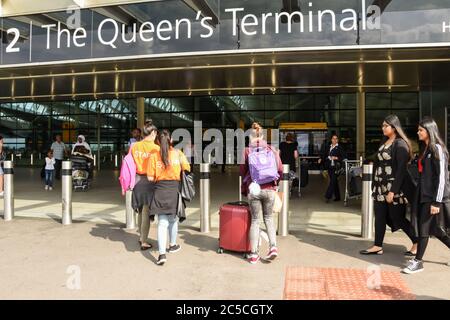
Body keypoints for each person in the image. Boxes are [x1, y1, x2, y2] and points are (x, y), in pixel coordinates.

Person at [360, 115, 418, 256]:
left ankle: (417, 241)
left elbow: (401, 170)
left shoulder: (400, 144)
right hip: (380, 186)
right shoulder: (385, 141)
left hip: (394, 188)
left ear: (394, 127)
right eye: (382, 125)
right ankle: (377, 245)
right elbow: (378, 159)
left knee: (398, 218)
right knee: (379, 215)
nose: (383, 128)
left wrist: (393, 191)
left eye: (386, 125)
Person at [402, 118, 450, 274]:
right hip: (423, 195)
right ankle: (417, 261)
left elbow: (442, 177)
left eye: (420, 130)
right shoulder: (426, 149)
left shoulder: (437, 149)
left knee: (423, 228)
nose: (418, 132)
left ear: (429, 131)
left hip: (432, 199)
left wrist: (436, 202)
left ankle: (418, 261)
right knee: (436, 231)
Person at [240, 122, 282, 264]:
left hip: (254, 189)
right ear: (263, 135)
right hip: (269, 189)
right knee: (269, 218)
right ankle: (273, 247)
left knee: (256, 221)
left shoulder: (246, 151)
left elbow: (242, 171)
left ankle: (253, 254)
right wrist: (275, 184)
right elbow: (280, 169)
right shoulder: (272, 149)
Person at [147, 129, 191, 265]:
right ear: (171, 140)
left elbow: (149, 177)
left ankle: (161, 255)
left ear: (158, 142)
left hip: (159, 190)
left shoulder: (154, 156)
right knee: (173, 220)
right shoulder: (178, 154)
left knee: (162, 223)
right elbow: (187, 169)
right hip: (174, 190)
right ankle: (172, 245)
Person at [130, 120, 159, 250]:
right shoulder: (156, 148)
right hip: (149, 181)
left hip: (137, 180)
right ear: (152, 132)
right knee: (146, 211)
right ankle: (144, 241)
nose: (156, 135)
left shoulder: (135, 146)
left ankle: (141, 236)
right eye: (155, 132)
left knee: (140, 210)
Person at [318, 134, 346, 202]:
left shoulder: (339, 147)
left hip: (336, 167)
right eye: (333, 138)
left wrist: (336, 158)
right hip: (329, 166)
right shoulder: (328, 147)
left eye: (336, 139)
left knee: (332, 181)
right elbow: (324, 154)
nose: (334, 140)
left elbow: (344, 157)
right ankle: (338, 197)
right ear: (331, 139)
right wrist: (321, 158)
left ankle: (328, 196)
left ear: (338, 140)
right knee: (334, 181)